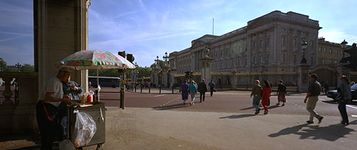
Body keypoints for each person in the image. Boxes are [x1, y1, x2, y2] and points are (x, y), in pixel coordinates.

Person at [36, 67, 73, 150]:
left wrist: (63, 97)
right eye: (68, 76)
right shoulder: (53, 81)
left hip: (51, 108)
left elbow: (55, 95)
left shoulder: (59, 82)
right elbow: (48, 97)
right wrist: (62, 99)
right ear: (63, 74)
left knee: (50, 133)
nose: (68, 78)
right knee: (47, 133)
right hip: (45, 108)